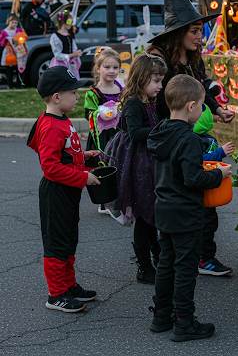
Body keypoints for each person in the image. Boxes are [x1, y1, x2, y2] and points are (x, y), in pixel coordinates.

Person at [149, 0, 235, 276]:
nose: (201, 37)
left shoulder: (194, 59)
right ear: (179, 33)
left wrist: (218, 108)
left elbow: (201, 88)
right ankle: (168, 258)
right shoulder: (158, 60)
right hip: (173, 139)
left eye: (202, 30)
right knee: (177, 199)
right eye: (195, 31)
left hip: (193, 135)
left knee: (204, 203)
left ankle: (201, 256)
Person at [147, 74, 232, 341]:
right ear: (191, 106)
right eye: (203, 106)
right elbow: (194, 179)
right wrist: (220, 175)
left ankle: (161, 316)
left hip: (164, 210)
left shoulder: (160, 132)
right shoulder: (190, 140)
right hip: (186, 214)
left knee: (166, 264)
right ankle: (184, 322)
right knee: (185, 269)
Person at [27, 66, 101, 312]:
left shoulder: (61, 118)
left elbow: (65, 153)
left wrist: (85, 157)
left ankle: (68, 285)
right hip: (56, 193)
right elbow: (50, 168)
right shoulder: (49, 126)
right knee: (57, 244)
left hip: (68, 191)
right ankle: (56, 294)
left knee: (69, 241)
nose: (78, 96)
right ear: (57, 97)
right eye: (73, 92)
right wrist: (83, 178)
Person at [103, 54, 167, 284]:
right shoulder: (133, 103)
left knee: (150, 212)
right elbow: (135, 133)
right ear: (141, 79)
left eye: (161, 80)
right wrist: (161, 131)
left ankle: (158, 257)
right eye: (156, 81)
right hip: (134, 160)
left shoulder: (150, 101)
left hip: (146, 158)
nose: (160, 86)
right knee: (143, 213)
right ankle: (144, 267)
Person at [84, 47, 123, 212]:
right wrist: (102, 112)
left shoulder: (121, 89)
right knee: (103, 165)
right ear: (98, 69)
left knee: (119, 162)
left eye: (115, 67)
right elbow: (88, 114)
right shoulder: (93, 93)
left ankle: (118, 197)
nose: (112, 71)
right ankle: (104, 200)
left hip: (118, 133)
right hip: (101, 136)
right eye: (107, 67)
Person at [49, 11, 82, 79]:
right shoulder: (55, 37)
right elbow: (57, 55)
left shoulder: (69, 35)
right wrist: (73, 55)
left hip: (70, 63)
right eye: (70, 21)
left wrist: (76, 53)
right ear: (64, 21)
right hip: (60, 64)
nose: (71, 24)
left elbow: (73, 48)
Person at [0, 15, 24, 88]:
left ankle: (18, 83)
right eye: (12, 22)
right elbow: (1, 43)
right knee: (9, 69)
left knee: (17, 68)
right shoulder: (4, 32)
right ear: (8, 22)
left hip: (17, 51)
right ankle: (10, 84)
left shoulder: (18, 31)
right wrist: (6, 40)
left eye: (15, 23)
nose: (14, 24)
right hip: (8, 52)